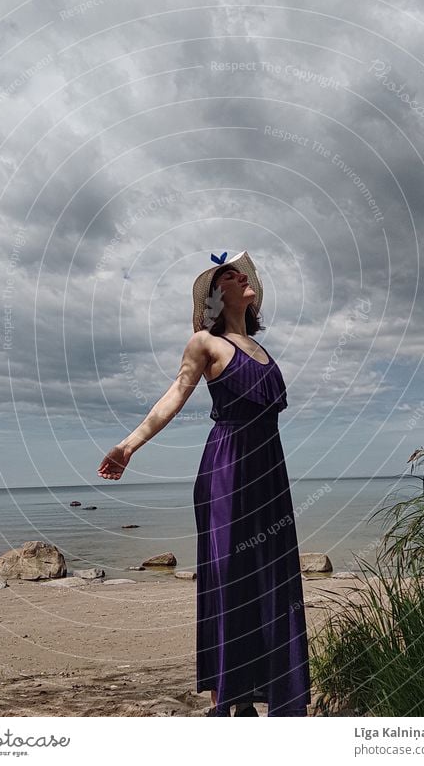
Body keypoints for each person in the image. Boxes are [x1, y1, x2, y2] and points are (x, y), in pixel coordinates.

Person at [97, 250, 311, 717]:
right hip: (227, 472)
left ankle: (278, 696)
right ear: (218, 295)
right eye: (231, 275)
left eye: (242, 273)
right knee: (228, 579)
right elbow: (174, 394)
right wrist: (128, 446)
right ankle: (227, 703)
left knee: (273, 578)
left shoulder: (262, 349)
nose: (242, 278)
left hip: (269, 475)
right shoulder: (204, 344)